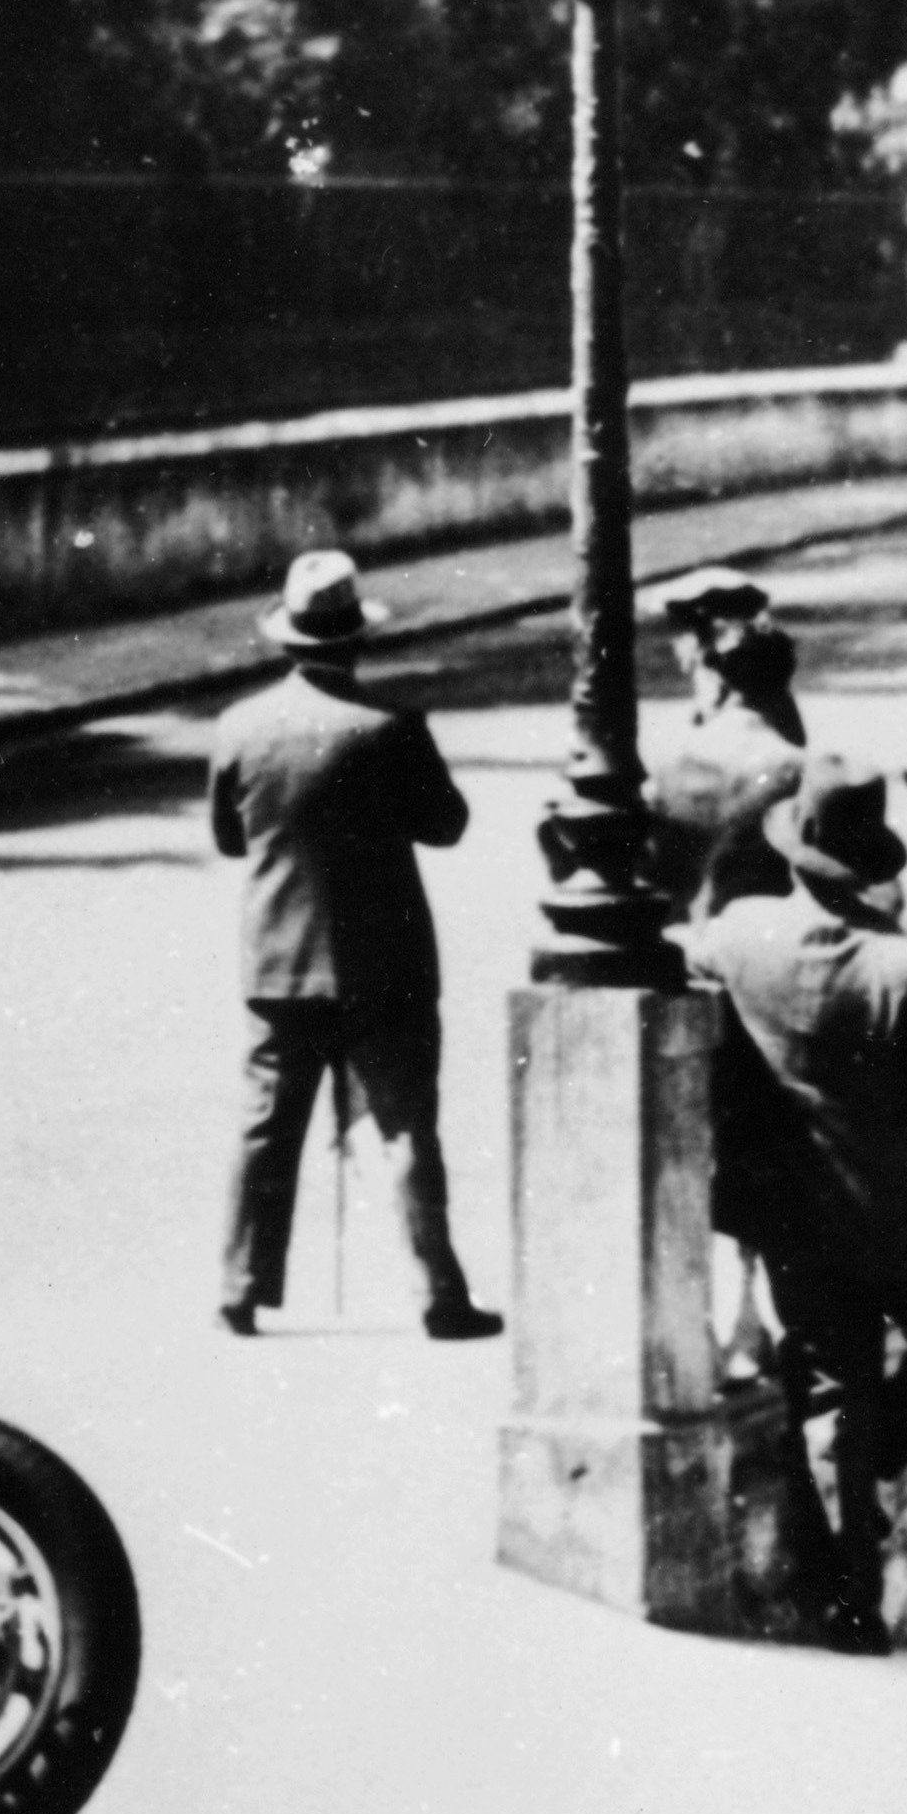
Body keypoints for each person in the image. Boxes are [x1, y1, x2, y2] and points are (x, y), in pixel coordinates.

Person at [688, 755, 907, 1651]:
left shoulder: (740, 939)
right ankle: (868, 1456)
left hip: (796, 1221)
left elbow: (685, 943)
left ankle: (851, 1604)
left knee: (831, 1389)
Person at [206, 550, 501, 1342]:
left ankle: (239, 1288)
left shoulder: (239, 727)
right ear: (354, 641)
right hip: (386, 965)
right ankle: (439, 1292)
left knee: (266, 1127)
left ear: (286, 640)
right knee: (406, 1127)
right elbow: (446, 823)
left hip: (278, 962)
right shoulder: (392, 727)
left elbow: (230, 837)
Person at [645, 569, 808, 923]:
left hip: (718, 907)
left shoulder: (689, 750)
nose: (674, 644)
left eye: (678, 631)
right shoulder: (775, 702)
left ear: (697, 641)